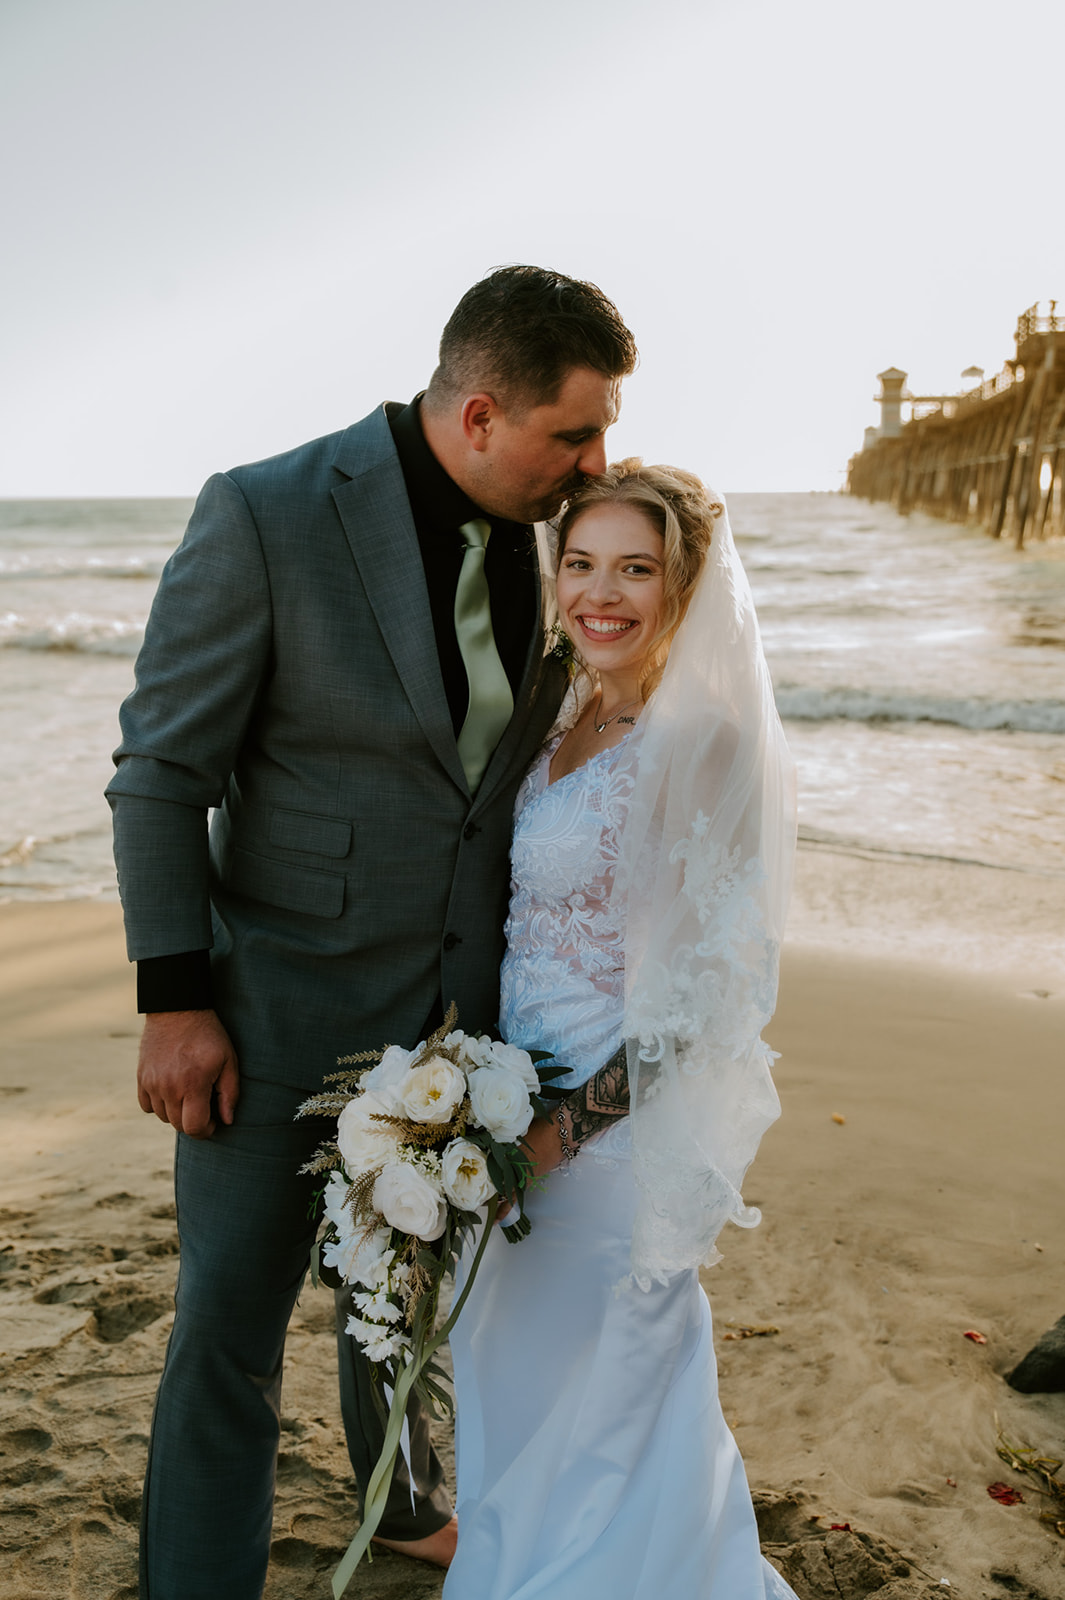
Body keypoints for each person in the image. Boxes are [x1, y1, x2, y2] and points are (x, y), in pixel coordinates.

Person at [106, 265, 637, 1600]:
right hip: (270, 1015)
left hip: (464, 1019)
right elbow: (162, 772)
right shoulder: (267, 512)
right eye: (573, 432)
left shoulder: (559, 537)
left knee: (394, 1297)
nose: (597, 460)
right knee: (227, 1334)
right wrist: (175, 1000)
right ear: (477, 415)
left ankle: (398, 1501)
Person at [444, 461, 800, 1599]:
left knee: (610, 1407)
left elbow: (695, 1003)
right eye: (582, 564)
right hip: (503, 1104)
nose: (601, 593)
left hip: (602, 1145)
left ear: (684, 585)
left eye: (635, 569)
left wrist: (549, 1139)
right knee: (510, 1383)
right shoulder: (560, 708)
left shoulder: (702, 746)